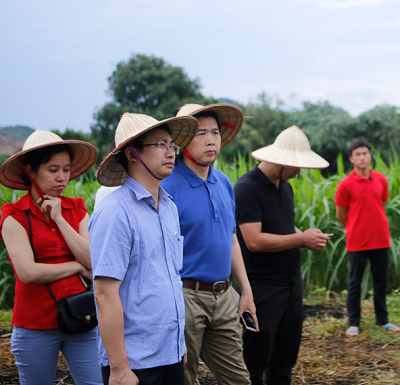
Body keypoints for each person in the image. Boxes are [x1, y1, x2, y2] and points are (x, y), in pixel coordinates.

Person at [89, 112, 197, 385]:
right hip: (134, 363)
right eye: (160, 145)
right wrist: (119, 368)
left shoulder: (169, 207)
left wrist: (178, 342)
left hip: (170, 354)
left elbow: (169, 279)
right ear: (132, 153)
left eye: (172, 146)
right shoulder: (115, 212)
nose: (171, 152)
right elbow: (104, 293)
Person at [162, 103, 257, 385]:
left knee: (238, 378)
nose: (211, 139)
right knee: (183, 376)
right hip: (185, 295)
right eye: (200, 133)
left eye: (215, 132)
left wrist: (246, 291)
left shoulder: (224, 182)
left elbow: (230, 238)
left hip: (224, 295)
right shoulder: (168, 185)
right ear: (182, 141)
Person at [0, 130, 102, 384]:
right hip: (34, 325)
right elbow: (28, 272)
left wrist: (59, 219)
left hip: (82, 317)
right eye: (53, 169)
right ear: (31, 171)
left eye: (66, 170)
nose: (62, 177)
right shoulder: (14, 216)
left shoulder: (76, 208)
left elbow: (93, 260)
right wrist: (76, 267)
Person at [234, 126, 331, 385]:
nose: (299, 172)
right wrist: (300, 239)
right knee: (257, 354)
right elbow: (253, 240)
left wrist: (306, 236)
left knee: (286, 354)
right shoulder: (247, 188)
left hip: (290, 283)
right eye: (296, 166)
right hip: (262, 287)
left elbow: (284, 227)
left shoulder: (284, 186)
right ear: (280, 162)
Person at [334, 138, 400, 337]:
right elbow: (341, 213)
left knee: (380, 282)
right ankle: (354, 322)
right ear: (351, 159)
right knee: (355, 282)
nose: (362, 157)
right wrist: (356, 226)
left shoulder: (381, 179)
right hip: (357, 241)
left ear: (370, 156)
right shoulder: (345, 184)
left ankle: (383, 320)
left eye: (365, 153)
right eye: (358, 154)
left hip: (381, 238)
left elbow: (382, 204)